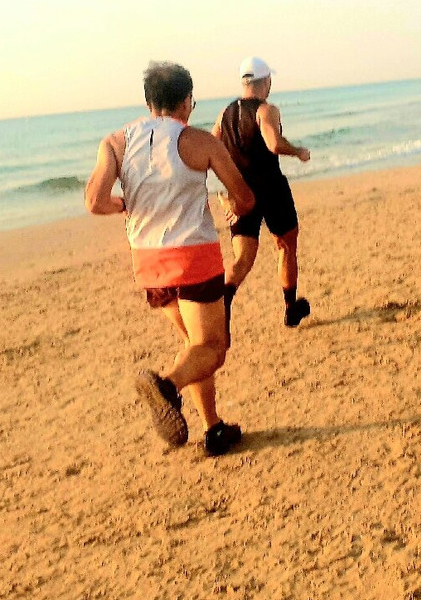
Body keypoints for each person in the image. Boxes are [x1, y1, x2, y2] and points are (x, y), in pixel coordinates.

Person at [85, 61, 254, 457]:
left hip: (148, 262)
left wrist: (123, 205)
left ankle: (213, 428)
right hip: (194, 257)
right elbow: (244, 197)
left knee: (194, 344)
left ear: (148, 102)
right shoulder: (201, 142)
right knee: (213, 347)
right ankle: (166, 386)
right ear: (187, 101)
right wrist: (235, 208)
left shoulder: (115, 142)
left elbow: (94, 201)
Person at [213, 56, 312, 331]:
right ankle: (291, 308)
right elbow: (273, 144)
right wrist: (298, 151)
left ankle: (222, 305)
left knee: (242, 259)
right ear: (265, 81)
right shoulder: (266, 110)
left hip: (241, 193)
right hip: (271, 189)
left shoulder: (224, 114)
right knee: (286, 245)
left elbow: (213, 150)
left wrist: (226, 193)